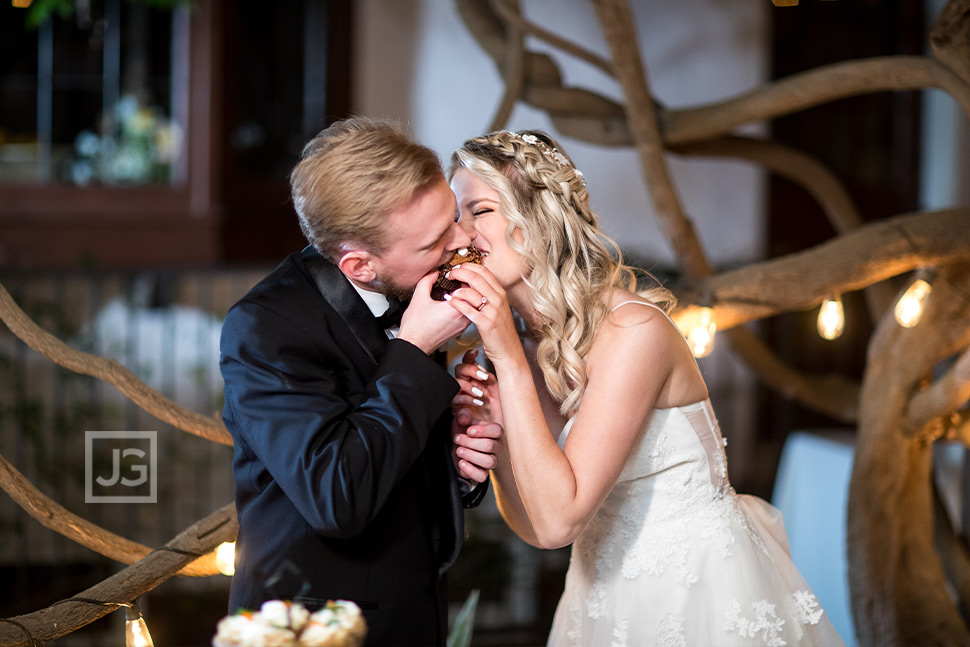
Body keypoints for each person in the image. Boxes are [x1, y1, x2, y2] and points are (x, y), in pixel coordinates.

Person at [441, 129, 845, 646]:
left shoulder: (634, 331)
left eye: (480, 210)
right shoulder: (521, 346)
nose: (460, 233)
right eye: (457, 215)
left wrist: (508, 362)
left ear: (538, 218)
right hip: (602, 594)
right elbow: (542, 530)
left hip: (696, 589)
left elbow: (562, 518)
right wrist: (494, 434)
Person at [219, 117, 501, 647]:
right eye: (437, 239)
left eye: (455, 218)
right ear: (360, 265)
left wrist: (456, 464)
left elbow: (389, 446)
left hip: (413, 611)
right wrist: (414, 348)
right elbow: (336, 497)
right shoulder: (263, 328)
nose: (464, 240)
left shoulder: (413, 286)